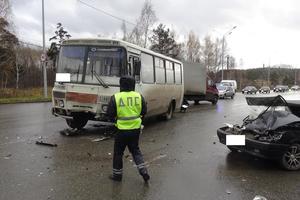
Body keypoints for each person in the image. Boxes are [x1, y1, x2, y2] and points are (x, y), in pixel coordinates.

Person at [107, 76, 150, 182]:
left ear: (121, 85)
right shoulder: (139, 96)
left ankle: (117, 176)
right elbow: (144, 112)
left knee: (118, 153)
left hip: (121, 130)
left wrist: (115, 122)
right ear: (133, 85)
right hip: (135, 129)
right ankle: (143, 171)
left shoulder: (116, 97)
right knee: (135, 151)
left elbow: (110, 114)